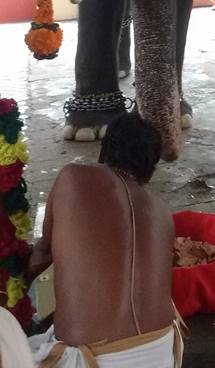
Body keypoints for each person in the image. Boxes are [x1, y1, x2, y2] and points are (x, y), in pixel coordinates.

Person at [27, 112, 184, 367]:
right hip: (161, 351)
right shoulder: (162, 212)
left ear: (103, 152)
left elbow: (41, 256)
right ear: (151, 171)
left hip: (90, 360)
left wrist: (13, 296)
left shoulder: (73, 177)